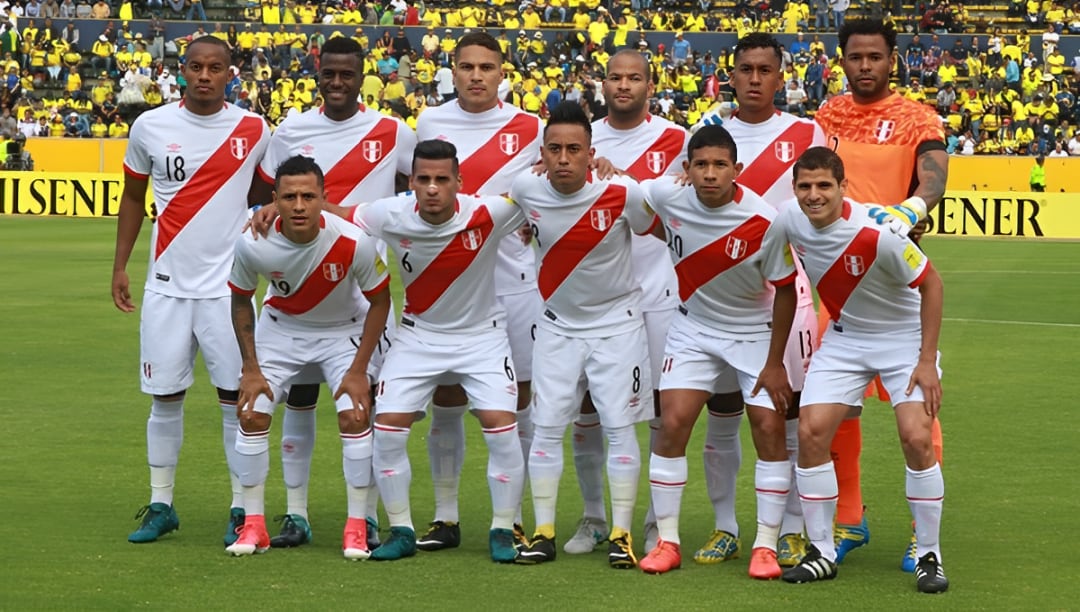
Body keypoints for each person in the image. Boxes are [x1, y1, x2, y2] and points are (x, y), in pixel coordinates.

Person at [248, 36, 416, 551]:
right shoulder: (292, 129)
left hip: (362, 296)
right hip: (297, 293)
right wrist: (267, 212)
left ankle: (364, 518)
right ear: (318, 74)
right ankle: (296, 515)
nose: (338, 83)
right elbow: (262, 196)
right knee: (297, 401)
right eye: (330, 75)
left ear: (362, 74)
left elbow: (415, 194)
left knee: (360, 405)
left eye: (348, 74)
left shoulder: (393, 131)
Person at [111, 36, 270, 546]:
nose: (205, 75)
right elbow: (133, 197)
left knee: (235, 400)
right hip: (166, 287)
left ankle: (241, 508)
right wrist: (120, 266)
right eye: (196, 67)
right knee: (165, 397)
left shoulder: (254, 129)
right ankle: (162, 504)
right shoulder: (150, 127)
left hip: (228, 291)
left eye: (215, 67)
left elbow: (265, 201)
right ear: (181, 72)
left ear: (231, 73)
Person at [777, 146, 948, 595]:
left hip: (903, 339)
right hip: (846, 336)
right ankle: (821, 552)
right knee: (813, 431)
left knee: (915, 436)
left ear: (842, 187)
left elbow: (932, 284)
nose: (814, 196)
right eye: (805, 187)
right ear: (794, 189)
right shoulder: (788, 219)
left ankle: (929, 552)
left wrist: (927, 361)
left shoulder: (879, 232)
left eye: (823, 186)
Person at [811, 18, 948, 572]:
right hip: (837, 288)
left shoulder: (919, 116)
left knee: (917, 411)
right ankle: (849, 518)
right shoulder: (827, 116)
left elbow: (933, 179)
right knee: (835, 409)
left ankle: (924, 535)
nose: (864, 66)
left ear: (893, 59)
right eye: (855, 57)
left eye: (875, 57)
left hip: (895, 282)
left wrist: (909, 211)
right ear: (840, 60)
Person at [637, 124, 798, 578]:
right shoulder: (667, 196)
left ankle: (765, 544)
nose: (710, 174)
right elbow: (632, 195)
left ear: (737, 170)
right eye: (701, 165)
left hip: (752, 331)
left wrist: (773, 363)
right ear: (685, 169)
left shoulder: (764, 221)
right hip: (693, 327)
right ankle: (667, 540)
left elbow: (786, 290)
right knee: (672, 423)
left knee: (768, 427)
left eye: (719, 165)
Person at [693, 31, 828, 570]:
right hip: (717, 295)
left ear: (780, 76)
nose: (753, 79)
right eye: (744, 69)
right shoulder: (708, 132)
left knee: (786, 411)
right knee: (721, 412)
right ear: (732, 74)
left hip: (783, 293)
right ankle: (725, 526)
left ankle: (792, 528)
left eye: (763, 70)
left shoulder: (806, 130)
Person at [357, 139, 526, 564]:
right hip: (418, 336)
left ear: (459, 182)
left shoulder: (490, 212)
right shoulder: (388, 214)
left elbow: (552, 196)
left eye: (442, 180)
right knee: (389, 430)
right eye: (424, 179)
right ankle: (401, 530)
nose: (432, 188)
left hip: (482, 337)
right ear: (410, 181)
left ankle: (503, 531)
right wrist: (262, 213)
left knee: (502, 429)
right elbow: (335, 217)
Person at [413, 32, 543, 553]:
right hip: (449, 286)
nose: (475, 76)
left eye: (486, 67)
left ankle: (511, 517)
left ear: (501, 71)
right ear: (452, 70)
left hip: (517, 282)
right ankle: (446, 517)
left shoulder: (530, 127)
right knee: (448, 397)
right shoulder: (430, 122)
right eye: (466, 66)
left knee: (522, 398)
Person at [225, 155, 392, 559]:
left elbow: (381, 302)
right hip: (283, 328)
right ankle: (254, 526)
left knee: (354, 412)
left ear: (324, 198)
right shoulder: (252, 242)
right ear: (273, 201)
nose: (299, 205)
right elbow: (240, 300)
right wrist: (249, 367)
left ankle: (356, 527)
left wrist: (358, 370)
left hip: (343, 329)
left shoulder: (354, 240)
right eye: (289, 197)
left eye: (308, 196)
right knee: (251, 410)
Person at [512, 102, 655, 569]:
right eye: (554, 149)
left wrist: (627, 174)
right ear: (542, 153)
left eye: (575, 149)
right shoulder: (525, 188)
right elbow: (507, 224)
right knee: (548, 429)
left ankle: (621, 534)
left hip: (618, 326)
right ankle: (544, 531)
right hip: (556, 326)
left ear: (592, 153)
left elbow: (652, 221)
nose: (564, 158)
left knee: (618, 428)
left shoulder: (620, 190)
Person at [556, 48, 683, 559]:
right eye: (614, 77)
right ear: (601, 84)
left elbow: (679, 199)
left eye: (634, 78)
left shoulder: (677, 138)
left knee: (655, 413)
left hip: (658, 293)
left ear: (650, 85)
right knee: (585, 411)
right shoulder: (580, 139)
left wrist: (622, 179)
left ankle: (653, 521)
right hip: (593, 297)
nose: (623, 85)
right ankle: (592, 517)